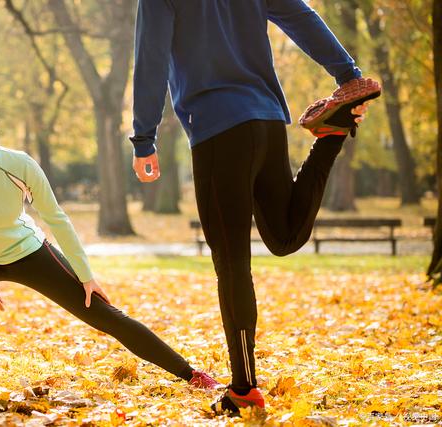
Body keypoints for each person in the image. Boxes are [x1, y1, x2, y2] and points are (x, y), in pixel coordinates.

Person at [129, 0, 380, 416]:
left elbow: (151, 56)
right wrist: (347, 75)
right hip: (266, 120)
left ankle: (243, 388)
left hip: (216, 130)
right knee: (283, 236)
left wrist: (143, 137)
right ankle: (332, 132)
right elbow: (301, 17)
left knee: (231, 265)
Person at [0, 93, 220, 398]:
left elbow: (56, 219)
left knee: (103, 313)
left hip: (28, 252)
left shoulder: (20, 164)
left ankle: (190, 373)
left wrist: (86, 275)